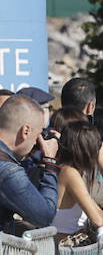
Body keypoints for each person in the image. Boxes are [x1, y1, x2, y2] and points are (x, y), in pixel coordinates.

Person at [0, 94, 60, 233]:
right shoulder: (9, 172)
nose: (36, 142)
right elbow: (44, 216)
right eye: (38, 134)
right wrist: (50, 161)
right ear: (26, 131)